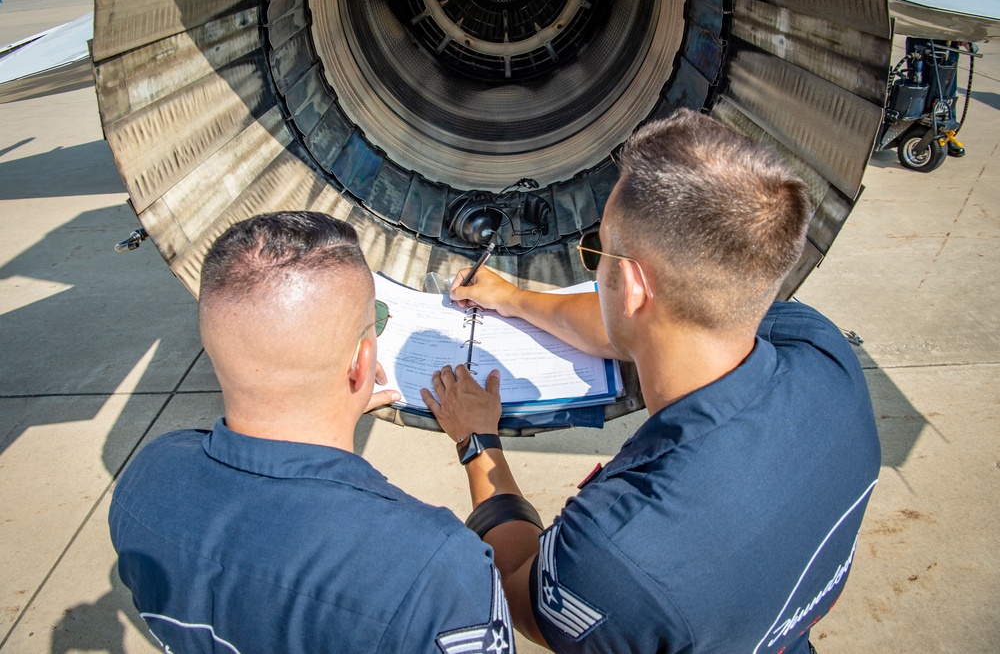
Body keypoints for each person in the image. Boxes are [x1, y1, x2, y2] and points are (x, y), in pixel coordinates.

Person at [420, 109, 882, 654]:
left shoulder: (618, 549)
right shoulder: (824, 356)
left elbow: (521, 592)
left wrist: (479, 442)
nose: (595, 269)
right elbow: (644, 322)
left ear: (635, 287)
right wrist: (512, 298)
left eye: (598, 251)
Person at [109, 212, 517, 654]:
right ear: (363, 363)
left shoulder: (146, 478)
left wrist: (333, 404)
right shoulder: (434, 568)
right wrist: (478, 442)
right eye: (376, 322)